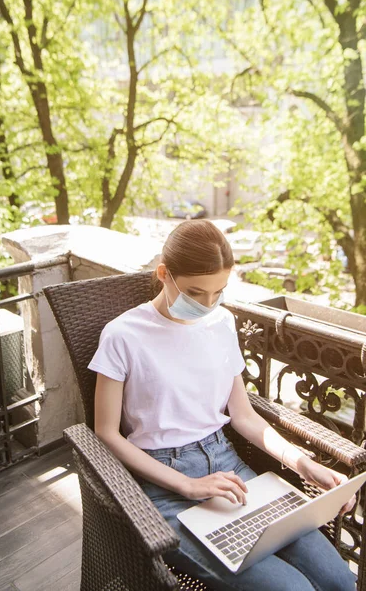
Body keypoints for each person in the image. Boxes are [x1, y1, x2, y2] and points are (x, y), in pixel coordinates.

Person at [89, 220, 356, 591]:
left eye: (219, 293)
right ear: (164, 274)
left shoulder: (222, 322)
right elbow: (105, 432)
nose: (208, 305)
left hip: (231, 469)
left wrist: (303, 463)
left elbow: (244, 416)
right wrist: (188, 485)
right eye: (196, 293)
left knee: (340, 580)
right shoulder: (122, 335)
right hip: (162, 480)